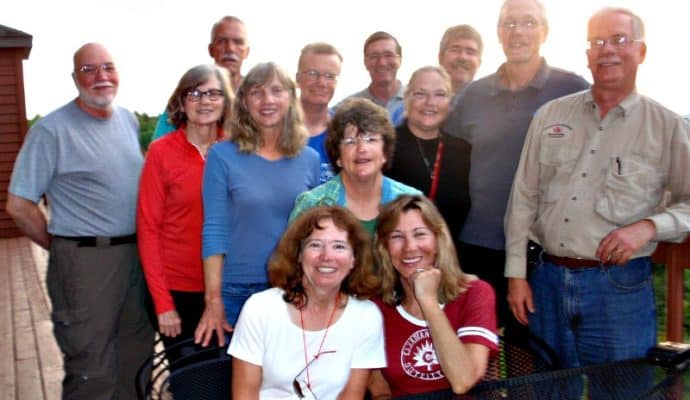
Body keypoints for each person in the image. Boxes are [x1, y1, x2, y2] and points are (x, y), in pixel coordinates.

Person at [505, 6, 690, 374]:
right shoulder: (550, 117)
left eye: (619, 39)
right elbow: (523, 197)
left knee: (623, 390)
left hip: (619, 289)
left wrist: (649, 227)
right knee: (548, 392)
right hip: (545, 283)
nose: (607, 49)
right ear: (587, 54)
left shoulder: (668, 126)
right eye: (597, 41)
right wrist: (516, 276)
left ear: (641, 51)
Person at [5, 43, 153, 399]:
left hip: (137, 256)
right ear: (75, 79)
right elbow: (18, 204)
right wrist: (60, 248)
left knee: (137, 359)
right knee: (92, 369)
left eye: (108, 67)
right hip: (86, 261)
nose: (101, 76)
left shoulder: (128, 120)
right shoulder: (52, 131)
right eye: (89, 69)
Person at [443, 0, 589, 329]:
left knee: (532, 355)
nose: (518, 32)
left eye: (528, 23)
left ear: (545, 32)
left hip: (542, 250)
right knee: (480, 349)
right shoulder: (473, 96)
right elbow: (446, 164)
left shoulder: (573, 89)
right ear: (498, 33)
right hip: (478, 243)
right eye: (509, 23)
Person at [194, 62, 320, 347]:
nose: (267, 101)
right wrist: (213, 300)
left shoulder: (310, 159)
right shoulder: (222, 156)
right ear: (244, 102)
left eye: (277, 91)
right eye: (256, 92)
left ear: (290, 98)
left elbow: (313, 232)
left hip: (292, 290)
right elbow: (213, 229)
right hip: (236, 291)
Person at [229, 205, 386, 399]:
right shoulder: (260, 309)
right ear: (298, 255)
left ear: (354, 259)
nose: (327, 256)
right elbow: (245, 395)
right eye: (315, 245)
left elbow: (351, 396)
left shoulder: (366, 316)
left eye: (339, 246)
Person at [137, 64, 233, 360]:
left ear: (226, 101)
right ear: (181, 102)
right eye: (195, 93)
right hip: (179, 294)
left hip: (228, 288)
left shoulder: (236, 150)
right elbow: (148, 229)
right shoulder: (161, 152)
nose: (205, 101)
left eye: (214, 93)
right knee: (193, 384)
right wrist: (163, 304)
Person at [369, 195, 498, 397]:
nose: (409, 247)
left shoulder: (475, 293)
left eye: (420, 234)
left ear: (438, 240)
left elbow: (464, 380)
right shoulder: (375, 308)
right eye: (396, 236)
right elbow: (380, 392)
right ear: (384, 248)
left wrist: (427, 300)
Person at [289, 97, 420, 235]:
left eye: (371, 139)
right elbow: (288, 255)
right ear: (337, 156)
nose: (362, 148)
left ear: (385, 153)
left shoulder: (411, 202)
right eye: (350, 141)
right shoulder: (311, 205)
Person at [387, 66, 471, 251]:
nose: (430, 102)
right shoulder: (385, 146)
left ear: (450, 102)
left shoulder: (463, 151)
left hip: (448, 261)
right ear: (406, 98)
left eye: (440, 94)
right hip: (395, 260)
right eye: (420, 94)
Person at [151, 15, 250, 140]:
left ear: (247, 51)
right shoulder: (188, 92)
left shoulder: (261, 98)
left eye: (238, 42)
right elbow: (160, 145)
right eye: (222, 41)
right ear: (211, 50)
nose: (230, 48)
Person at [296, 42, 343, 183]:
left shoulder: (344, 132)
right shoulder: (276, 128)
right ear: (298, 78)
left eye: (330, 76)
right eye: (312, 73)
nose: (321, 82)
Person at [339, 31, 406, 126]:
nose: (382, 62)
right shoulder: (348, 108)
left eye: (388, 55)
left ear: (399, 60)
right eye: (374, 56)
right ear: (365, 62)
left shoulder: (420, 101)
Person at [438, 24, 483, 105]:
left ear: (479, 62)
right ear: (440, 57)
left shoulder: (490, 105)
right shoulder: (417, 101)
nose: (463, 57)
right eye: (455, 50)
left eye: (470, 52)